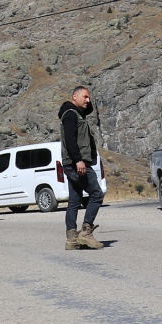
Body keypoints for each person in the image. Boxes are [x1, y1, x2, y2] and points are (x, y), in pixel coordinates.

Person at [58, 86, 105, 249]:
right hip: (77, 163)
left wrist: (86, 102)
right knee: (97, 194)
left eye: (89, 97)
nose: (88, 100)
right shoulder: (71, 115)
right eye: (85, 97)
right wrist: (78, 160)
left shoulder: (75, 113)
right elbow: (71, 140)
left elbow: (90, 109)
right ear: (74, 97)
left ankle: (71, 239)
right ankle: (86, 233)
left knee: (74, 200)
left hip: (71, 163)